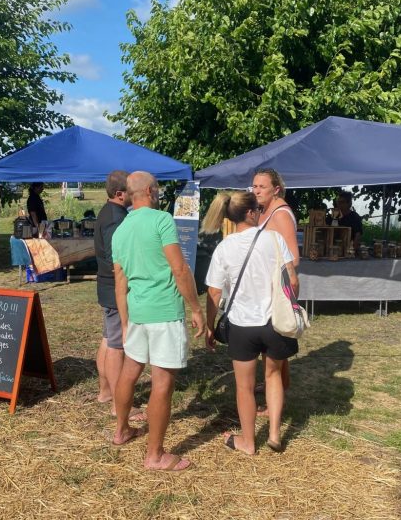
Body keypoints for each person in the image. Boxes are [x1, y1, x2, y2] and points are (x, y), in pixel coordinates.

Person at [111, 171, 205, 471]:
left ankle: (122, 430)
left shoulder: (121, 230)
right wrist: (196, 308)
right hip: (164, 311)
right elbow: (179, 269)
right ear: (150, 191)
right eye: (158, 189)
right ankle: (155, 455)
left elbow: (120, 279)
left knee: (130, 372)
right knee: (163, 381)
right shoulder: (162, 220)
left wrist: (125, 321)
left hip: (137, 311)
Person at [202, 191, 299, 454]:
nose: (260, 211)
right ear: (250, 213)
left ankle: (247, 441)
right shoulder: (275, 239)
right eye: (257, 208)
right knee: (273, 375)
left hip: (242, 325)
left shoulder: (224, 247)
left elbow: (214, 292)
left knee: (244, 387)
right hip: (274, 321)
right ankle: (275, 433)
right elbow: (292, 280)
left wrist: (210, 326)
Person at [94, 170, 144, 420]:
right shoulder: (116, 217)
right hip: (115, 287)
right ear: (119, 194)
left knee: (107, 339)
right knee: (116, 346)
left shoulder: (109, 211)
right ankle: (117, 403)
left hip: (106, 286)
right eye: (130, 190)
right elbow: (118, 259)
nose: (134, 194)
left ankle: (105, 392)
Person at [251, 168, 297, 393]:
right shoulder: (266, 211)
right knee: (272, 342)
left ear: (276, 189)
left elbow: (293, 259)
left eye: (262, 186)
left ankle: (278, 388)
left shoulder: (280, 214)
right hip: (267, 287)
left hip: (277, 289)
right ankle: (275, 384)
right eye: (254, 186)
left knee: (277, 343)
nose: (256, 190)